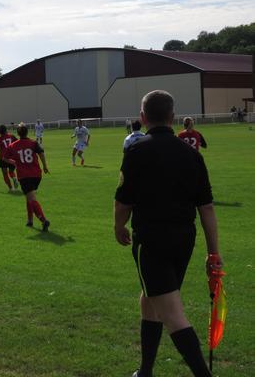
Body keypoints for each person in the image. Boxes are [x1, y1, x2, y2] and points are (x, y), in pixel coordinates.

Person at [114, 90, 222, 377]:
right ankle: (145, 371)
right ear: (173, 117)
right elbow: (206, 207)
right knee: (150, 299)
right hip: (184, 239)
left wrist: (118, 226)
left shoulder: (136, 151)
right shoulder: (191, 155)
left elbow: (123, 202)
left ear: (142, 117)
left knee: (172, 313)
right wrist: (213, 252)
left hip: (152, 240)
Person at [4, 123, 50, 231]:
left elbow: (4, 158)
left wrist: (14, 162)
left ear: (18, 133)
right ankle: (30, 220)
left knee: (31, 198)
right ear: (27, 132)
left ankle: (44, 220)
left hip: (24, 175)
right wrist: (45, 166)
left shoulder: (13, 145)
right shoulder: (33, 143)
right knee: (29, 197)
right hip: (36, 174)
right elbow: (41, 153)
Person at [0, 124, 19, 192]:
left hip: (3, 158)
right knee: (11, 171)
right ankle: (14, 178)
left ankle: (11, 188)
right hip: (12, 157)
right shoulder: (11, 136)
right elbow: (18, 143)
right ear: (5, 130)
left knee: (5, 173)